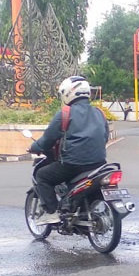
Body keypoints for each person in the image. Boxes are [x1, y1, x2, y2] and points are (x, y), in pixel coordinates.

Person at [28, 76, 109, 226]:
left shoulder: (65, 113)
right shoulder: (100, 113)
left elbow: (47, 139)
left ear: (67, 93)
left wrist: (35, 147)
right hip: (99, 164)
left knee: (42, 175)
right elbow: (105, 137)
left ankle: (51, 213)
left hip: (73, 164)